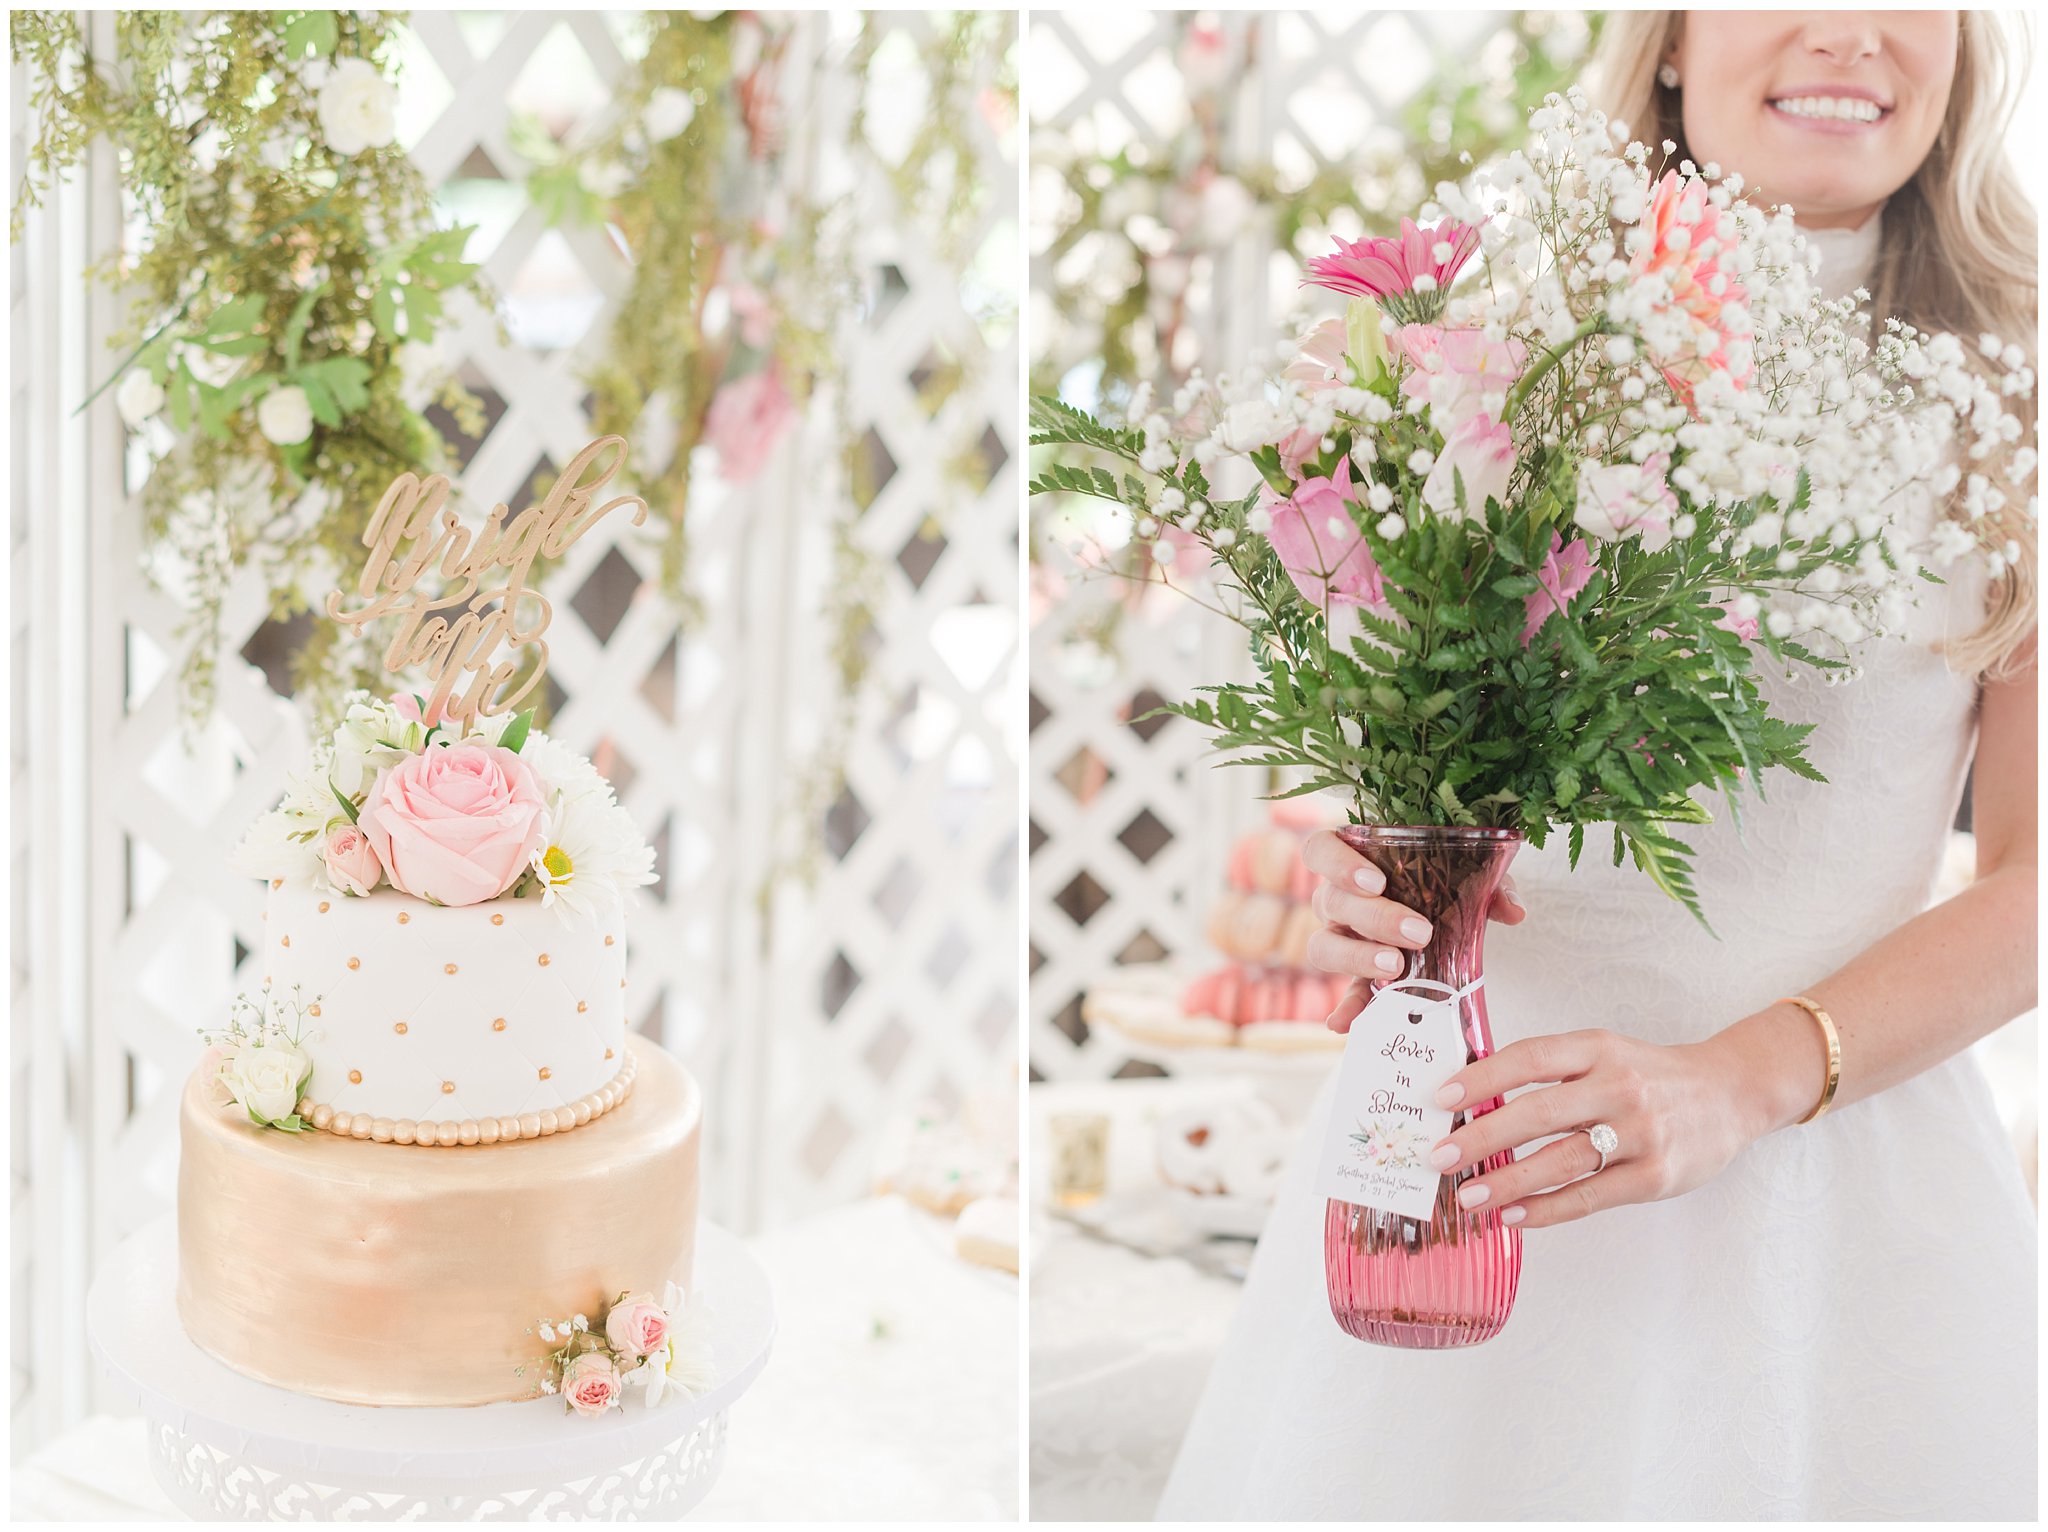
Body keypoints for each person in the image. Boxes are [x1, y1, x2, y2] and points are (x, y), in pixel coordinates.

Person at [1157, 11, 2038, 1519]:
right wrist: (1371, 868)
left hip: (1842, 1223)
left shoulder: (2018, 393)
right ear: (1674, 40)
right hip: (1465, 1187)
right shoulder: (1493, 332)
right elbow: (1412, 738)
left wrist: (1736, 1085)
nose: (1850, 31)